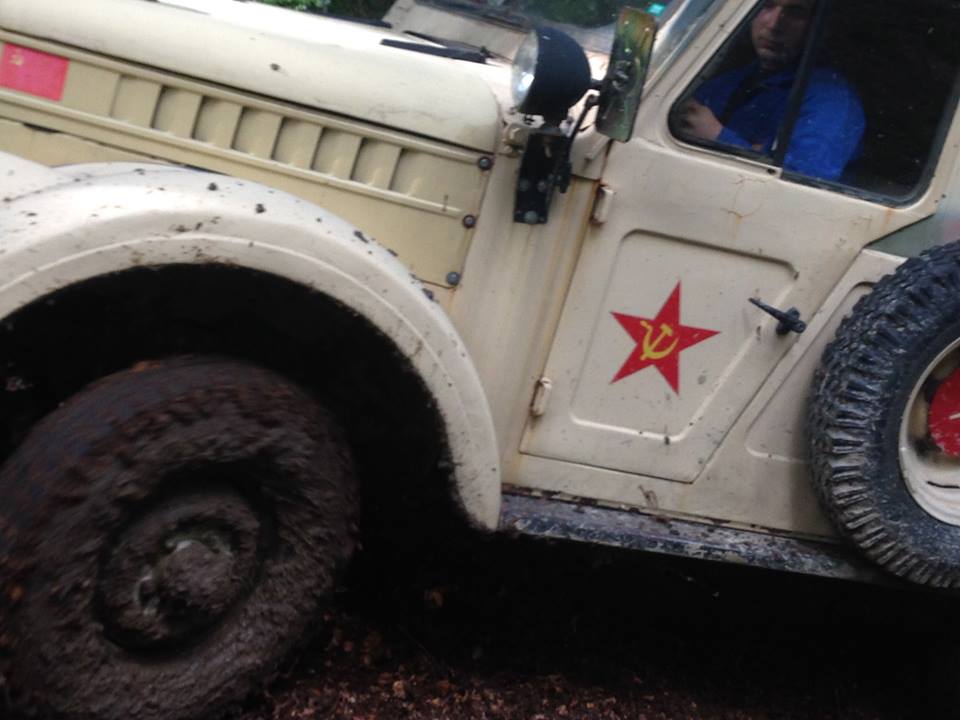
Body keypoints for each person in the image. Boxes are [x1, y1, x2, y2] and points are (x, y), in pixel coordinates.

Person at [676, 0, 864, 181]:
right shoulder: (734, 79)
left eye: (795, 12)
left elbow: (802, 182)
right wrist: (756, 151)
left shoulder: (831, 101)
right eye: (766, 5)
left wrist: (717, 136)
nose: (774, 25)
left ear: (820, 26)